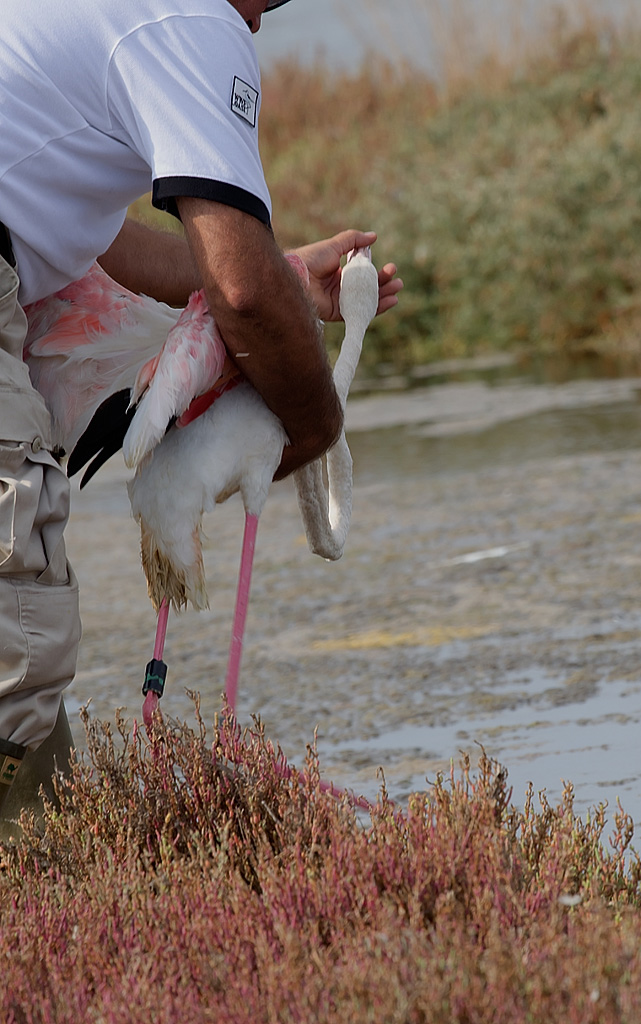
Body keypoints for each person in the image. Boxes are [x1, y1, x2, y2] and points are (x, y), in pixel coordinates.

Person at [0, 0, 403, 834]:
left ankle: (65, 887)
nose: (258, 28)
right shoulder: (191, 16)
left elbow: (98, 240)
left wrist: (284, 276)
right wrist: (318, 427)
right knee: (21, 651)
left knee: (26, 671)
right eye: (267, 3)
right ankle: (49, 908)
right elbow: (243, 293)